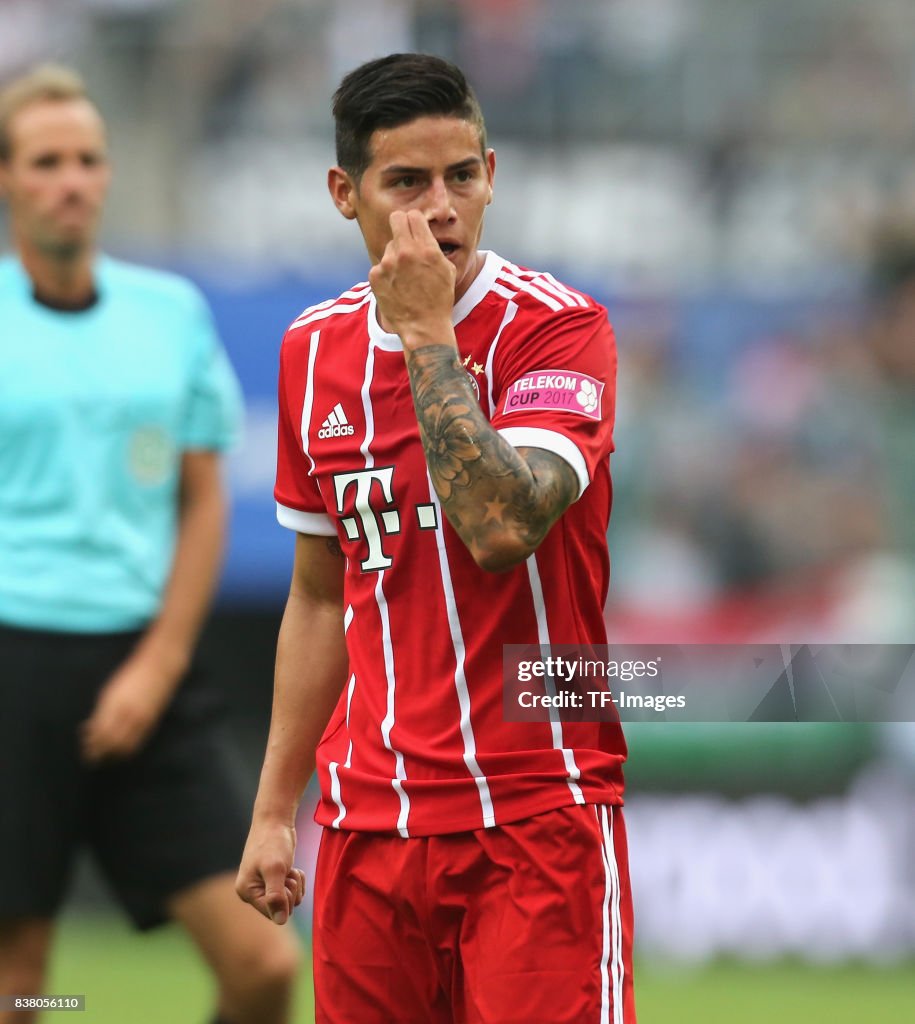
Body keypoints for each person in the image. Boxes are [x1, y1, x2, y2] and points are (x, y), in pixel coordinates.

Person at [237, 52, 635, 1024]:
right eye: (406, 182)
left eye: (461, 176)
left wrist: (425, 337)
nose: (442, 207)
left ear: (492, 174)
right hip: (371, 830)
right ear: (347, 193)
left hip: (537, 815)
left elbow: (501, 524)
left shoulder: (558, 331)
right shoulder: (312, 351)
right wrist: (274, 809)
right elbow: (321, 595)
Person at [0, 65, 300, 1024]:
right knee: (28, 986)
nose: (71, 180)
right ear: (8, 178)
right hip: (12, 667)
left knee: (264, 965)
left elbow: (203, 499)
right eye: (46, 161)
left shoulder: (167, 314)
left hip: (144, 663)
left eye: (88, 159)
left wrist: (158, 661)